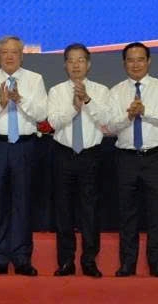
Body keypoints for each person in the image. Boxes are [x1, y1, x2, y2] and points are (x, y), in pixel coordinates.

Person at [0, 35, 48, 276]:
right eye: (4, 52)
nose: (9, 56)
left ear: (22, 55)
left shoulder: (35, 79)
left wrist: (19, 100)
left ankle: (22, 258)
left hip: (24, 147)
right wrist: (1, 103)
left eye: (14, 52)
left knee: (22, 203)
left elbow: (42, 114)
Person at [46, 42, 115, 278]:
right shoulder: (56, 91)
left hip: (91, 155)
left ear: (89, 64)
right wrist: (74, 108)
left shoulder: (101, 90)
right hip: (63, 154)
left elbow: (106, 120)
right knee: (63, 210)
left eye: (81, 60)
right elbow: (53, 122)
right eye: (71, 61)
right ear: (65, 65)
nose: (76, 65)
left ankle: (89, 261)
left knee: (90, 211)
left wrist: (87, 101)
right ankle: (66, 261)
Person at [107, 41, 158, 278]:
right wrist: (129, 116)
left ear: (149, 61)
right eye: (130, 60)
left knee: (156, 213)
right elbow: (111, 126)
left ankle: (157, 264)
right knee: (127, 214)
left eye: (140, 60)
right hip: (126, 158)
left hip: (155, 157)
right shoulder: (116, 91)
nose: (135, 65)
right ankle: (127, 263)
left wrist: (145, 111)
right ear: (124, 63)